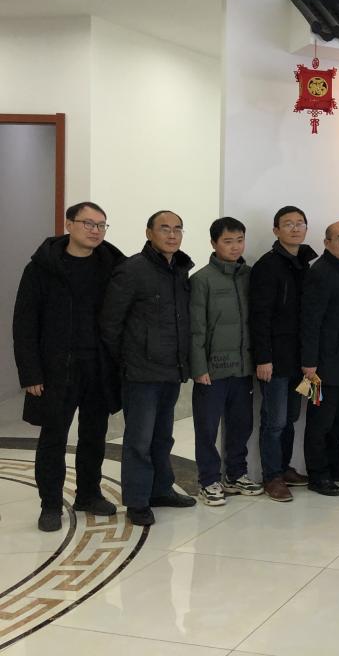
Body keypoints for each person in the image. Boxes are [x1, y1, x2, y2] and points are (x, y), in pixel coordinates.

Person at [13, 202, 125, 532]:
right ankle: (50, 504)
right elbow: (24, 322)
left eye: (101, 225)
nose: (95, 230)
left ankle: (88, 494)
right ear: (69, 224)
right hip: (56, 369)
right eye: (88, 223)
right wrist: (30, 372)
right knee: (53, 437)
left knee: (94, 434)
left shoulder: (112, 265)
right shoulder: (42, 268)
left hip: (98, 366)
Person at [100, 210, 196, 526]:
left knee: (163, 437)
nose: (172, 235)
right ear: (149, 233)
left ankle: (161, 489)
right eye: (164, 229)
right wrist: (128, 360)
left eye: (177, 229)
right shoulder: (132, 269)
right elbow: (111, 323)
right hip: (140, 373)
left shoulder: (179, 270)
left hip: (172, 369)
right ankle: (138, 500)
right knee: (139, 440)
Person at [189, 217, 263, 506]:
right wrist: (199, 367)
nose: (235, 247)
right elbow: (196, 329)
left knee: (241, 424)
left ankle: (236, 474)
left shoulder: (249, 276)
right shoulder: (202, 280)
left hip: (242, 367)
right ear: (214, 243)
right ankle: (208, 480)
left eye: (239, 240)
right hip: (212, 370)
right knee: (207, 428)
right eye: (228, 241)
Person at [250, 205, 318, 503]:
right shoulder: (267, 266)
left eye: (300, 223)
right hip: (275, 360)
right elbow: (260, 316)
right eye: (288, 224)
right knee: (274, 420)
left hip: (300, 360)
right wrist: (263, 357)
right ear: (276, 230)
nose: (295, 228)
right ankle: (272, 476)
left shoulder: (305, 264)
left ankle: (285, 467)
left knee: (290, 417)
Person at [300, 221, 339, 497]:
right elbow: (310, 321)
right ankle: (318, 474)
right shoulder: (320, 272)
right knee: (320, 421)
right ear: (326, 243)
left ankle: (337, 465)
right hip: (321, 366)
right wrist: (309, 363)